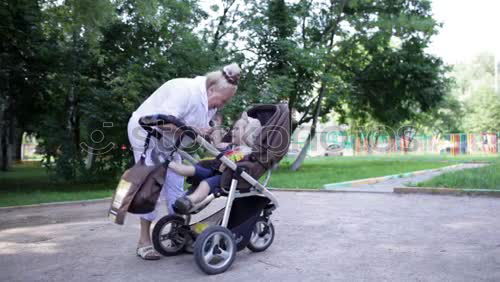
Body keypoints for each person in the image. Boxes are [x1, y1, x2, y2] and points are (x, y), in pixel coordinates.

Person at [127, 63, 241, 260]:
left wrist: (216, 140)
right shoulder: (184, 90)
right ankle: (143, 241)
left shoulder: (209, 102)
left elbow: (205, 128)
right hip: (147, 135)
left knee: (176, 186)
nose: (220, 106)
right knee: (151, 186)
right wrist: (194, 130)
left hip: (170, 142)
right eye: (221, 101)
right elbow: (161, 121)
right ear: (211, 89)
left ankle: (177, 234)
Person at [167, 112, 262, 214]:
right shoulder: (231, 146)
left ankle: (190, 200)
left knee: (205, 184)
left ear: (248, 133)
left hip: (226, 178)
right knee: (191, 170)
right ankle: (167, 163)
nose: (232, 131)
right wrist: (216, 126)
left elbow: (236, 162)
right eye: (233, 128)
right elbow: (217, 145)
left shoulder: (246, 151)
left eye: (237, 129)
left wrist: (226, 163)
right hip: (214, 171)